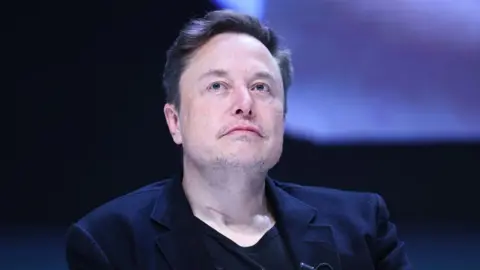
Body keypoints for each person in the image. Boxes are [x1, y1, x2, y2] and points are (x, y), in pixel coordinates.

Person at [65, 9, 412, 270]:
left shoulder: (362, 226)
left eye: (261, 87)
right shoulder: (111, 242)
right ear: (175, 122)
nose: (245, 104)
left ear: (283, 119)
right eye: (218, 86)